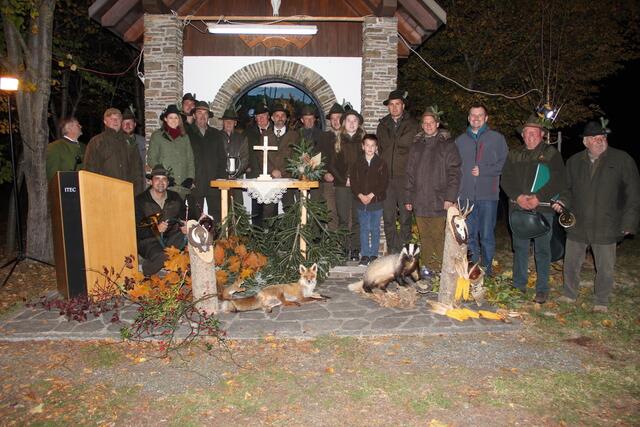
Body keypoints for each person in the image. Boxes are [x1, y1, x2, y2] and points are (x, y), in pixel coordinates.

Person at [554, 119, 640, 312]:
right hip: (578, 221)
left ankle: (601, 300)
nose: (600, 140)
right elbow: (566, 189)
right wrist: (562, 202)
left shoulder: (621, 159)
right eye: (594, 138)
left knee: (605, 266)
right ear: (585, 141)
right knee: (571, 261)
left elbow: (633, 194)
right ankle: (569, 294)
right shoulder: (574, 161)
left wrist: (629, 222)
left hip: (607, 223)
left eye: (602, 137)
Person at [501, 115, 566, 304]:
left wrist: (538, 197)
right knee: (520, 248)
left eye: (534, 133)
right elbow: (506, 178)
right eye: (527, 133)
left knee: (543, 250)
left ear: (542, 135)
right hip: (518, 208)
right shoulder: (514, 153)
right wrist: (519, 197)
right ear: (523, 135)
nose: (530, 137)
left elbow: (558, 179)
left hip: (542, 209)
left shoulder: (551, 153)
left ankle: (542, 289)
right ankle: (519, 286)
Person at [405, 110, 461, 279]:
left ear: (437, 124)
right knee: (425, 237)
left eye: (431, 122)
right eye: (425, 123)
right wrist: (408, 197)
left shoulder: (447, 145)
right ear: (422, 126)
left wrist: (450, 198)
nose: (428, 125)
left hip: (439, 200)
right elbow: (410, 173)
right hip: (420, 199)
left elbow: (454, 172)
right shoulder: (416, 146)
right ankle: (428, 268)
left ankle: (441, 271)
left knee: (439, 237)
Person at [455, 104, 508, 276]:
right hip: (466, 197)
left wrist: (485, 170)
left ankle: (487, 268)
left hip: (488, 196)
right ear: (468, 118)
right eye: (472, 115)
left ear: (486, 118)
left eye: (480, 115)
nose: (476, 118)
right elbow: (454, 169)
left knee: (486, 236)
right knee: (468, 236)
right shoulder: (460, 141)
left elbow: (505, 164)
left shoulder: (497, 139)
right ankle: (473, 270)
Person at [376, 89, 420, 253]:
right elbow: (379, 151)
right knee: (388, 217)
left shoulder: (413, 125)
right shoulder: (382, 126)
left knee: (406, 217)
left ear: (403, 106)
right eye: (391, 105)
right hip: (387, 179)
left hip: (405, 179)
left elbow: (418, 151)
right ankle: (393, 251)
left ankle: (405, 250)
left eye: (397, 104)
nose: (394, 108)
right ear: (388, 107)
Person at [135, 165, 187, 276]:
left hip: (171, 239)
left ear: (168, 183)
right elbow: (136, 230)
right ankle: (146, 270)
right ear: (150, 181)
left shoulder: (175, 197)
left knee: (193, 241)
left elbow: (186, 217)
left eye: (164, 179)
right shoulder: (140, 201)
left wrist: (186, 226)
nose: (160, 182)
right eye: (157, 179)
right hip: (149, 241)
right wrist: (156, 229)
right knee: (163, 255)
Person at [328, 107, 364, 261]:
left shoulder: (364, 141)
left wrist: (356, 180)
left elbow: (367, 164)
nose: (351, 123)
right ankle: (344, 248)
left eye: (354, 120)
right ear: (344, 123)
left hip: (359, 186)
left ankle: (355, 249)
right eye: (349, 120)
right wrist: (343, 180)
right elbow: (332, 165)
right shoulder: (337, 141)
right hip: (342, 186)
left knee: (357, 218)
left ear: (358, 124)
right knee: (343, 218)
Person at [84, 108, 144, 194]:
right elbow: (90, 170)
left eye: (118, 118)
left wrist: (138, 193)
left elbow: (137, 170)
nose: (115, 121)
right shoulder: (97, 142)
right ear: (105, 121)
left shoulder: (129, 142)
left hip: (126, 192)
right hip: (105, 192)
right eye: (112, 119)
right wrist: (94, 192)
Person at [349, 134, 389, 266]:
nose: (370, 148)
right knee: (364, 229)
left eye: (373, 146)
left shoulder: (382, 163)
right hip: (361, 201)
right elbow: (353, 182)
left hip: (376, 201)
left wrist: (371, 195)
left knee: (375, 228)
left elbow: (383, 183)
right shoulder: (356, 163)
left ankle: (373, 255)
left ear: (376, 147)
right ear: (363, 146)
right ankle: (365, 254)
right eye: (367, 145)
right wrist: (360, 195)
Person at [187, 101, 226, 219]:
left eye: (205, 113)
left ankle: (218, 238)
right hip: (195, 183)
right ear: (194, 115)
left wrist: (220, 178)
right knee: (194, 217)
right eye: (199, 113)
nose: (202, 116)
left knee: (217, 215)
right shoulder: (187, 134)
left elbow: (222, 158)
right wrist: (189, 180)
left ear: (208, 116)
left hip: (213, 182)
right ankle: (194, 238)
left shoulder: (216, 134)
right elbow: (184, 158)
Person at [147, 104, 196, 200]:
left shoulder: (185, 137)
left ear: (179, 120)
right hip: (165, 184)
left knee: (181, 213)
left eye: (176, 118)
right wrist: (165, 175)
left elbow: (190, 159)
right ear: (165, 119)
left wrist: (190, 177)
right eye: (171, 118)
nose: (173, 120)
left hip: (182, 184)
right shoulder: (157, 136)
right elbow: (152, 160)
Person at [262, 103, 296, 220]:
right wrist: (272, 171)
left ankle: (290, 238)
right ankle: (268, 237)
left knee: (290, 210)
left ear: (286, 118)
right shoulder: (265, 135)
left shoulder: (294, 136)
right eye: (277, 115)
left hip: (287, 177)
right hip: (270, 179)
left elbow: (296, 157)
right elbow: (260, 156)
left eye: (282, 115)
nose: (280, 118)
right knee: (268, 212)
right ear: (272, 118)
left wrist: (282, 172)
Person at [245, 103, 272, 226]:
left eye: (263, 116)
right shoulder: (248, 133)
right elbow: (243, 152)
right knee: (256, 209)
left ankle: (271, 238)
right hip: (255, 174)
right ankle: (256, 238)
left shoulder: (275, 132)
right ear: (255, 119)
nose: (260, 119)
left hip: (271, 176)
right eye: (258, 117)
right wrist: (246, 166)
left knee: (271, 208)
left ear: (268, 117)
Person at [219, 107, 250, 206]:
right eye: (226, 121)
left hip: (236, 180)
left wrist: (235, 174)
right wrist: (223, 174)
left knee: (238, 207)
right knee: (221, 207)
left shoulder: (242, 139)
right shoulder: (216, 137)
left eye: (231, 121)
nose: (228, 123)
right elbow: (214, 158)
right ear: (223, 122)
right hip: (220, 179)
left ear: (235, 123)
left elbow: (245, 158)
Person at [321, 103, 344, 229]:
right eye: (333, 118)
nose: (335, 121)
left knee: (346, 214)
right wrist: (325, 173)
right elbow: (319, 159)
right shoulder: (324, 137)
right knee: (331, 214)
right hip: (328, 182)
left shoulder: (349, 137)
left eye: (338, 118)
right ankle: (334, 245)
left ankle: (347, 246)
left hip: (344, 182)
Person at [46, 117, 85, 182]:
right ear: (69, 128)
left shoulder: (85, 147)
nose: (80, 126)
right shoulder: (54, 147)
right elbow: (52, 175)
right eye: (78, 125)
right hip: (66, 188)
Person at [121, 108, 146, 182]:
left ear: (135, 124)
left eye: (130, 123)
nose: (127, 125)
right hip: (122, 181)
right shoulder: (115, 142)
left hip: (140, 181)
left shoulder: (143, 142)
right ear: (121, 125)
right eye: (125, 123)